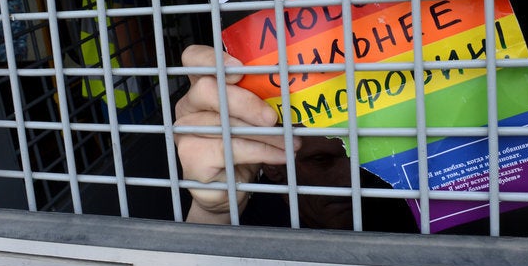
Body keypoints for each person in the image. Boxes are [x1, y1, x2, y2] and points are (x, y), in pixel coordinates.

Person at [173, 44, 417, 232]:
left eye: (367, 152)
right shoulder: (253, 228)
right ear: (272, 166)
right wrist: (212, 214)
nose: (352, 177)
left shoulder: (400, 200)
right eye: (321, 160)